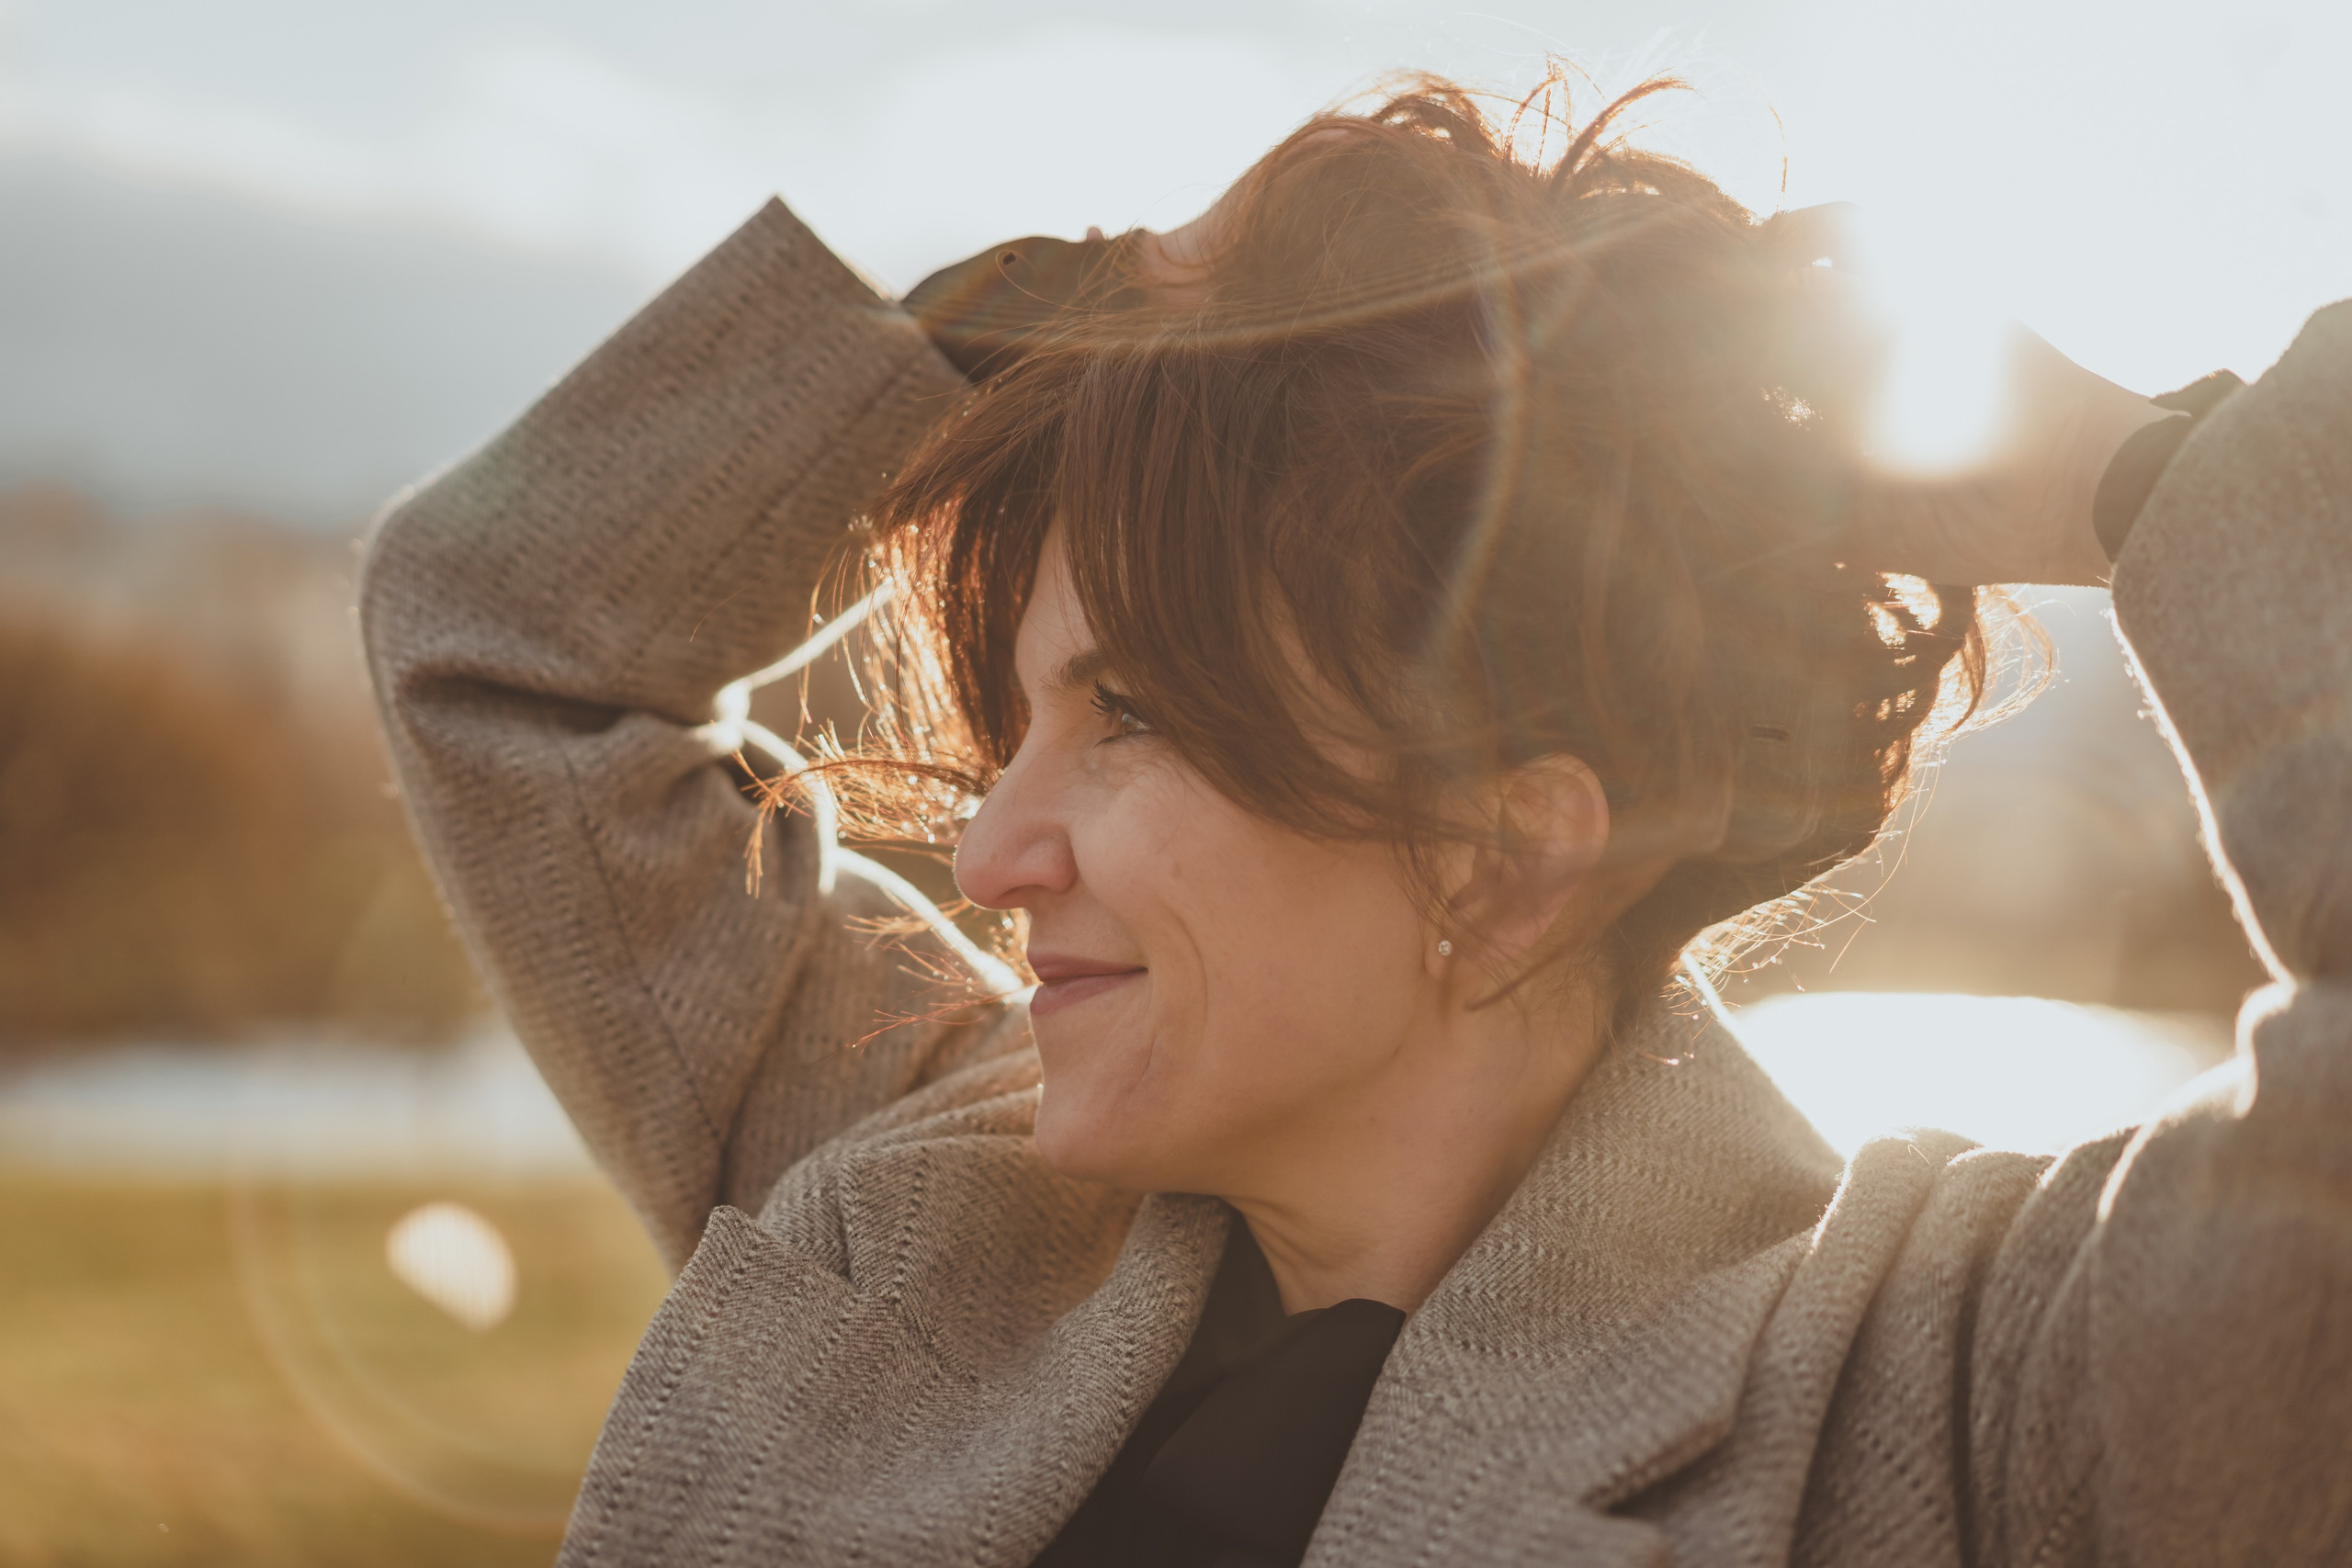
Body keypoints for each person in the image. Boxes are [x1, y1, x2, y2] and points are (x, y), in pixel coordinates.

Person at [359, 74, 2350, 1568]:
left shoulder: (1963, 1388)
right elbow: (504, 643)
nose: (985, 856)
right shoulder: (925, 1197)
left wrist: (2137, 469)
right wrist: (1075, 305)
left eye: (1130, 714)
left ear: (1509, 854)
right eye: (1019, 723)